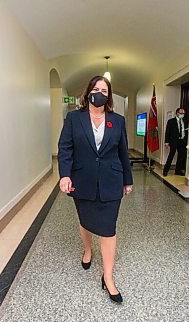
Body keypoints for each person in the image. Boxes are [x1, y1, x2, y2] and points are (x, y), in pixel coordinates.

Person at [58, 75, 133, 303]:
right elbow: (65, 148)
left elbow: (123, 152)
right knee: (85, 222)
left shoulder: (117, 120)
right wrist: (65, 175)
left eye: (105, 90)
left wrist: (127, 180)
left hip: (111, 180)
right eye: (96, 88)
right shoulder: (74, 118)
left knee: (109, 229)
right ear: (88, 91)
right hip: (83, 180)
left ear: (108, 96)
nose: (100, 93)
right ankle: (88, 250)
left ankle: (108, 278)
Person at [162, 108, 187, 176]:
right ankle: (166, 170)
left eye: (183, 113)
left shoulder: (184, 121)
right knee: (171, 155)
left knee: (181, 156)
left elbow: (185, 131)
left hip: (182, 141)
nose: (182, 115)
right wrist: (166, 142)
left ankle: (178, 170)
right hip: (173, 141)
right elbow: (167, 132)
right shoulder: (171, 121)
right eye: (181, 113)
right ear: (177, 113)